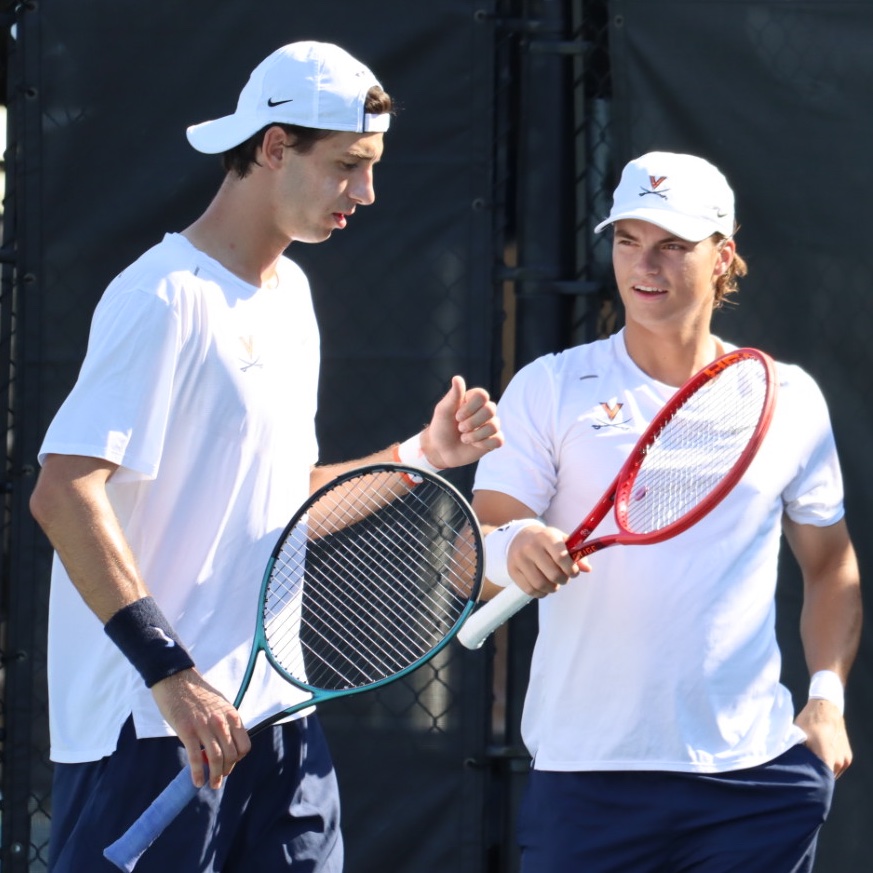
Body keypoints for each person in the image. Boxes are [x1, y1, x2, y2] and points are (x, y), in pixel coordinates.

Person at [29, 40, 502, 873]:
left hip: (275, 723)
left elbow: (276, 504)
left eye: (373, 166)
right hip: (150, 730)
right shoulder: (162, 294)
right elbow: (65, 493)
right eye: (348, 165)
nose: (367, 191)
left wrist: (424, 455)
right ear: (275, 145)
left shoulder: (294, 297)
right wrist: (173, 677)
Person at [472, 151, 862, 872]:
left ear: (723, 256)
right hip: (586, 779)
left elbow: (830, 564)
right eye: (627, 239)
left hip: (755, 778)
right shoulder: (549, 387)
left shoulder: (790, 397)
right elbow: (482, 547)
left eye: (672, 245)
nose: (643, 265)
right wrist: (516, 545)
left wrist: (826, 697)